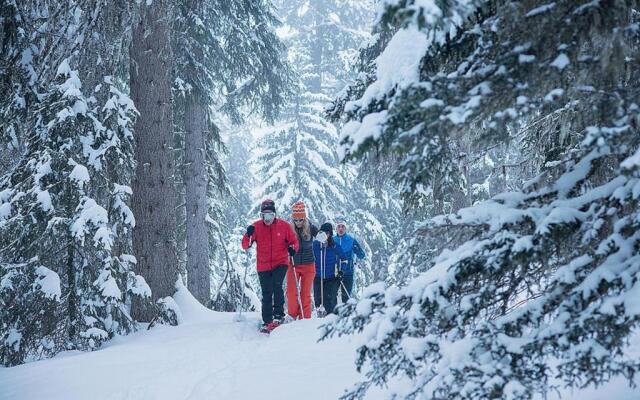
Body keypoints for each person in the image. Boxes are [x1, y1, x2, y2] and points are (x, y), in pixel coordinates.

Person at [242, 199, 298, 332]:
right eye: (264, 215)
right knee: (266, 291)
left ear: (274, 215)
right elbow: (245, 245)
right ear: (261, 216)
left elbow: (294, 241)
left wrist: (292, 248)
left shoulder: (284, 226)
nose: (267, 219)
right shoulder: (256, 227)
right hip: (263, 265)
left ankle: (278, 316)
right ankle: (267, 320)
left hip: (281, 262)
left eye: (270, 215)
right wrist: (248, 234)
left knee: (277, 285)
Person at [286, 201, 317, 320]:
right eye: (296, 220)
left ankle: (305, 318)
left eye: (301, 220)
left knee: (305, 294)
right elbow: (282, 243)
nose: (298, 222)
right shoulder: (289, 229)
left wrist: (324, 234)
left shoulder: (310, 227)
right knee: (292, 293)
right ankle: (292, 316)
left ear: (304, 218)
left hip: (309, 265)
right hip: (293, 264)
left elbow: (321, 235)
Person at [312, 222, 345, 315]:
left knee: (329, 300)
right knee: (317, 300)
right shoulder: (315, 244)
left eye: (327, 233)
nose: (325, 235)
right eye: (323, 232)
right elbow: (309, 256)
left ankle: (333, 317)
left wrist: (341, 270)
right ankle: (319, 318)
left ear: (330, 234)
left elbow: (344, 259)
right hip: (317, 276)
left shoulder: (334, 245)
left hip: (331, 277)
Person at [334, 216, 365, 303]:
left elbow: (362, 255)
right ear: (336, 228)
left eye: (343, 226)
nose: (340, 229)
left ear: (346, 228)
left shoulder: (351, 240)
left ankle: (345, 315)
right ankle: (333, 314)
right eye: (339, 226)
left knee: (346, 296)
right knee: (332, 296)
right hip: (335, 273)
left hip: (348, 272)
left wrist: (358, 249)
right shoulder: (332, 240)